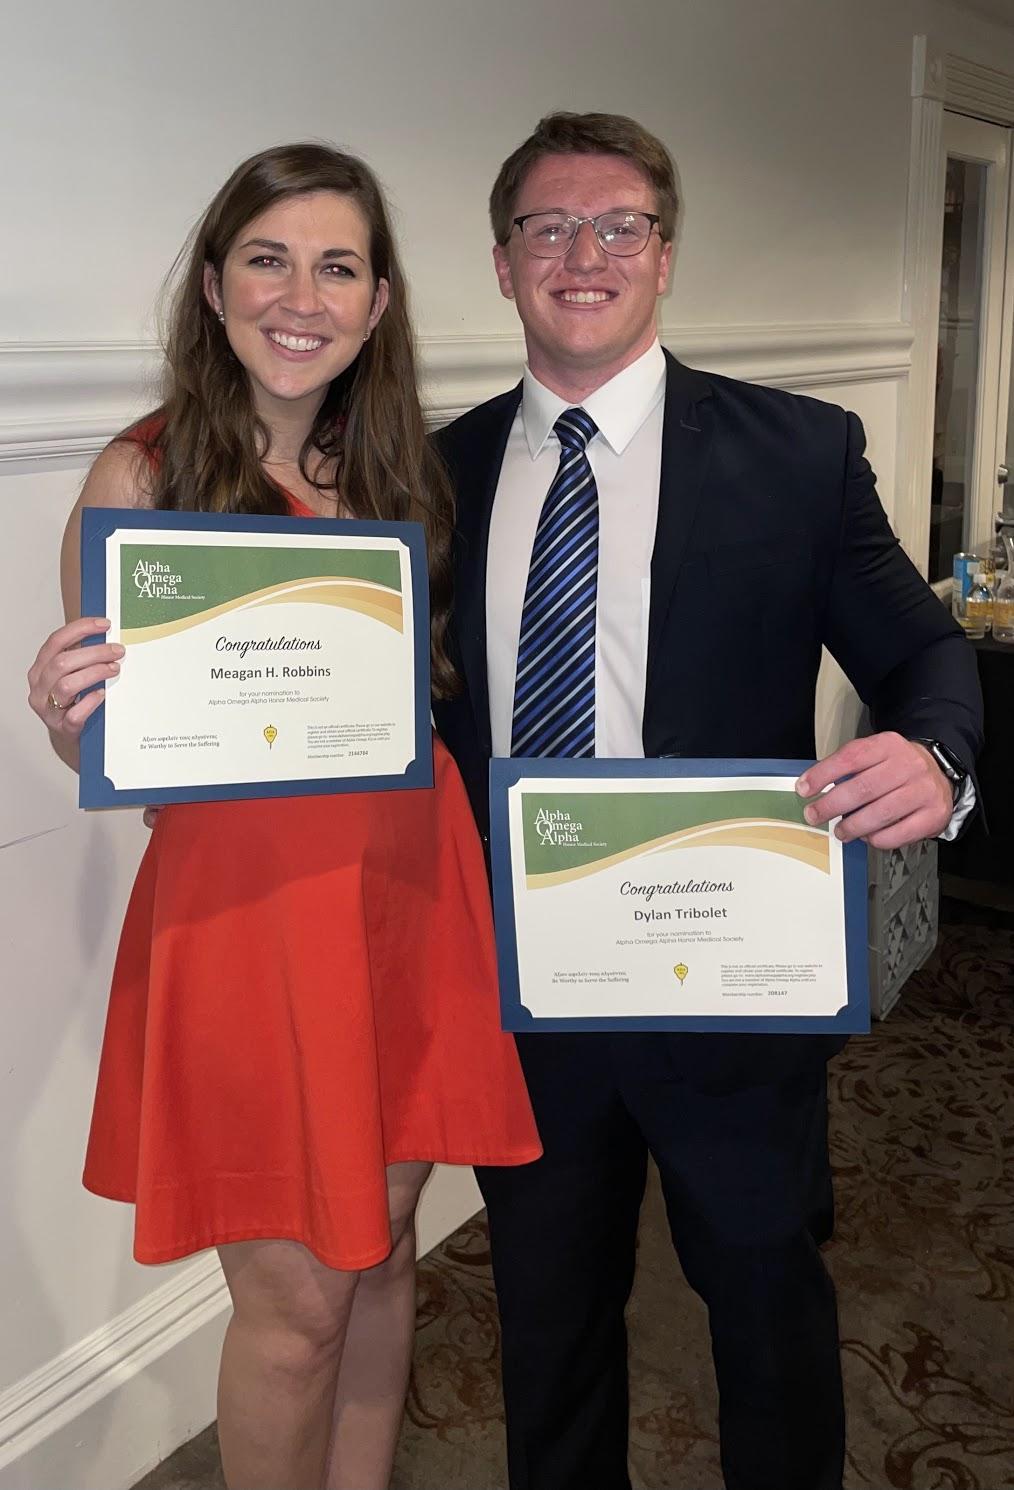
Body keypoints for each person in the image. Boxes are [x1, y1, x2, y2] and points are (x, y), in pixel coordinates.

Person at [432, 112, 983, 1490]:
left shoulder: (796, 453)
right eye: (546, 227)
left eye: (617, 224)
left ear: (662, 258)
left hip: (730, 970)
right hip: (529, 986)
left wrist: (936, 752)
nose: (583, 254)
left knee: (765, 1309)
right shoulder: (427, 476)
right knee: (546, 1322)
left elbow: (923, 649)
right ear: (501, 264)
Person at [26, 142, 540, 1490]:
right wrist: (62, 704)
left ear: (377, 302)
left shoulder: (402, 476)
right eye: (267, 257)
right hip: (245, 925)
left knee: (379, 1254)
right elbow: (117, 738)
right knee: (296, 1306)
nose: (299, 293)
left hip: (409, 896)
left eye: (337, 264)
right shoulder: (141, 478)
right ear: (213, 284)